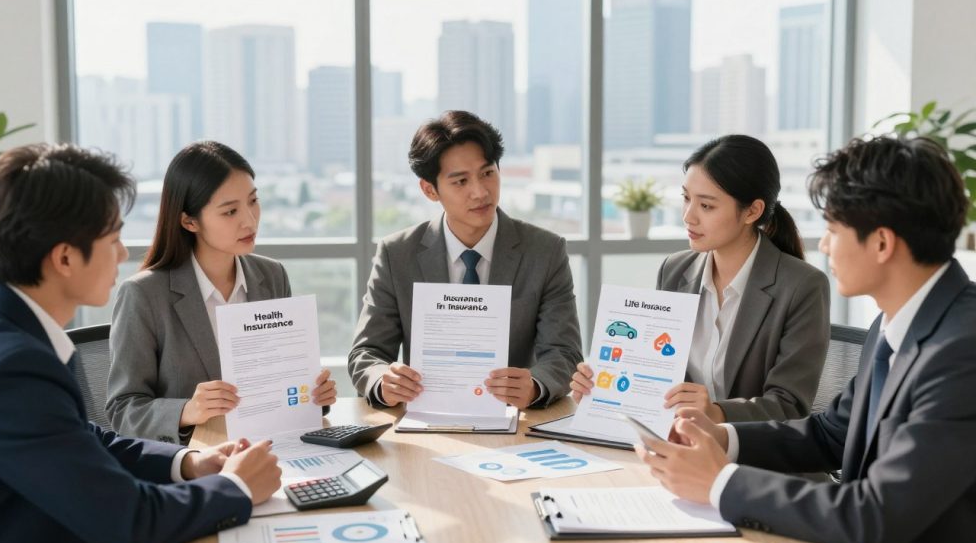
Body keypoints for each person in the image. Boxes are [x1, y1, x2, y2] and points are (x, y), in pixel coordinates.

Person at [639, 136, 976, 543]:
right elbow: (829, 434)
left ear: (881, 243)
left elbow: (875, 515)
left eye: (834, 230)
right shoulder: (894, 323)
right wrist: (719, 436)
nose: (823, 246)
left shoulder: (962, 350)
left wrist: (720, 483)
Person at [0, 144, 282, 543]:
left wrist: (190, 462)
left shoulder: (1, 329)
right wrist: (236, 487)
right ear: (66, 257)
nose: (124, 255)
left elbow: (86, 441)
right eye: (112, 239)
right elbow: (129, 522)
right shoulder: (11, 369)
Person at [571, 135, 830, 421]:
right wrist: (603, 388)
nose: (688, 216)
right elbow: (655, 374)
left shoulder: (802, 286)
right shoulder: (675, 270)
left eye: (706, 206)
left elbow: (789, 406)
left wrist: (717, 412)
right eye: (686, 198)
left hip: (749, 455)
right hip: (678, 444)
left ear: (752, 211)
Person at [348, 110, 583, 410]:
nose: (480, 192)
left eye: (488, 173)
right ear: (429, 189)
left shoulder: (545, 251)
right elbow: (366, 354)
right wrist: (384, 381)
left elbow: (564, 353)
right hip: (427, 419)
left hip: (516, 420)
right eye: (460, 181)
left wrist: (535, 386)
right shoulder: (397, 254)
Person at [107, 141, 336, 444]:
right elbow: (122, 410)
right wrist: (187, 410)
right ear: (189, 221)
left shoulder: (272, 276)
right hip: (196, 464)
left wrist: (314, 392)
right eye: (230, 211)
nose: (249, 220)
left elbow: (282, 384)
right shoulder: (143, 294)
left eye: (253, 201)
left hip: (275, 448)